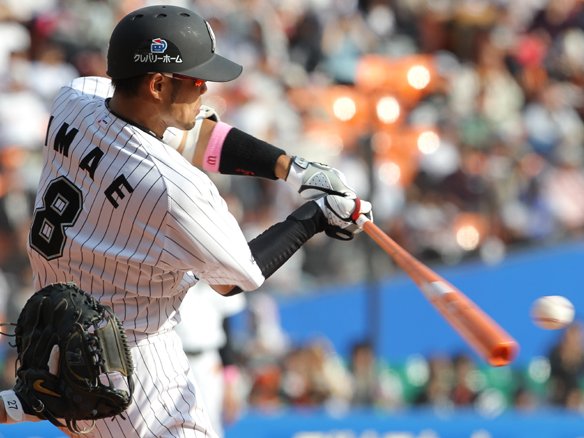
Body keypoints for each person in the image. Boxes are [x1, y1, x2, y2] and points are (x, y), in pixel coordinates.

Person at [0, 4, 372, 438]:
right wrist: (315, 216)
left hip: (61, 357)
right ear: (157, 84)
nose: (205, 90)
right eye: (195, 81)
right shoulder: (174, 187)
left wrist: (290, 167)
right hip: (140, 383)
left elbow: (191, 134)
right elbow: (237, 278)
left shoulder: (73, 100)